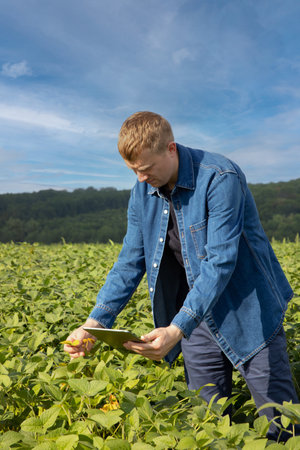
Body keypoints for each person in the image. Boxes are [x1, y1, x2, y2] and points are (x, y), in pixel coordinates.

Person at [64, 111, 299, 441]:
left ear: (170, 149)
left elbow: (220, 262)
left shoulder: (220, 177)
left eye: (146, 169)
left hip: (249, 309)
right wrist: (94, 324)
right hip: (195, 314)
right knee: (208, 422)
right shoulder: (142, 191)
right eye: (134, 171)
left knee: (280, 421)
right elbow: (130, 262)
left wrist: (176, 329)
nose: (141, 179)